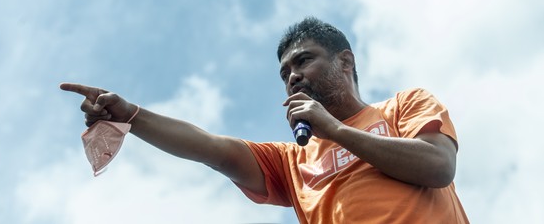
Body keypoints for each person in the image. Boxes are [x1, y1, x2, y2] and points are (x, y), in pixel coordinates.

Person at [61, 17, 469, 223]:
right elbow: (211, 148)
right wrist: (132, 116)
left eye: (304, 60)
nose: (292, 76)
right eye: (284, 73)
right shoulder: (291, 162)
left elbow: (438, 167)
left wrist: (335, 131)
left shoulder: (404, 106)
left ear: (345, 61)